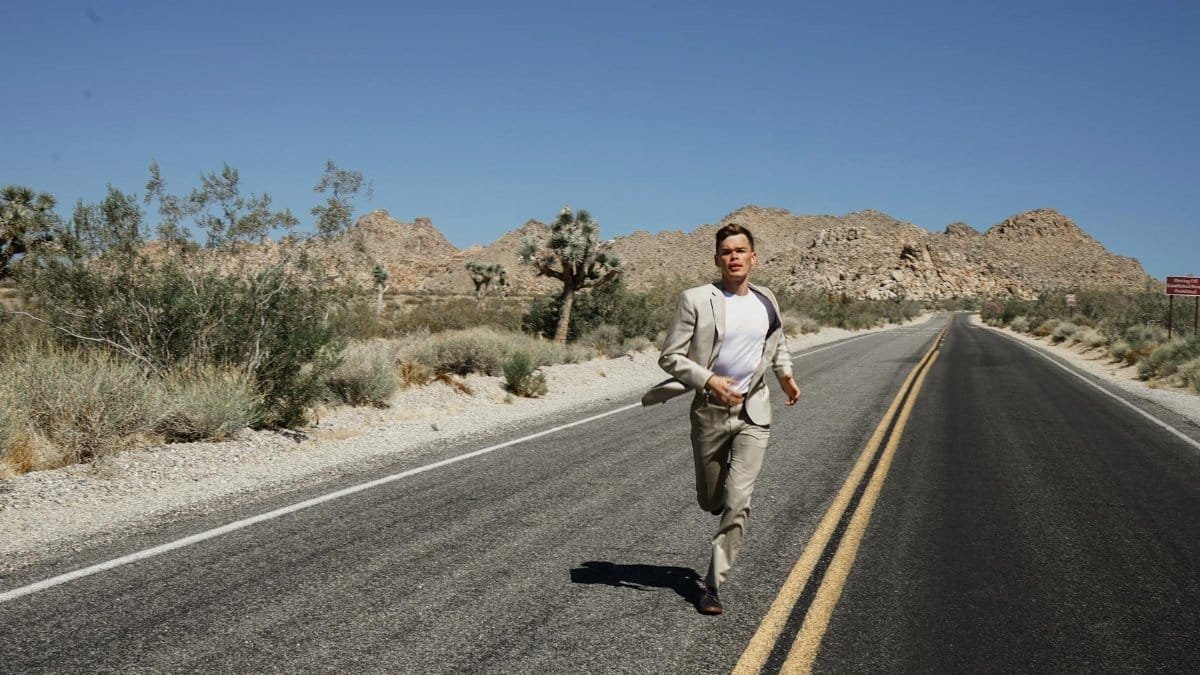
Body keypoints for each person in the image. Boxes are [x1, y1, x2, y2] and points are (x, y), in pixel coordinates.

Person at [642, 222, 801, 615]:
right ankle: (714, 498)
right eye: (727, 251)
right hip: (710, 414)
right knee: (712, 499)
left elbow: (776, 341)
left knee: (738, 501)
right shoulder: (697, 300)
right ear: (717, 260)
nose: (734, 257)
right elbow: (670, 357)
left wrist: (786, 376)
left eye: (741, 250)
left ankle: (711, 585)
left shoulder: (767, 300)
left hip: (753, 411)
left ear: (753, 257)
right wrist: (709, 379)